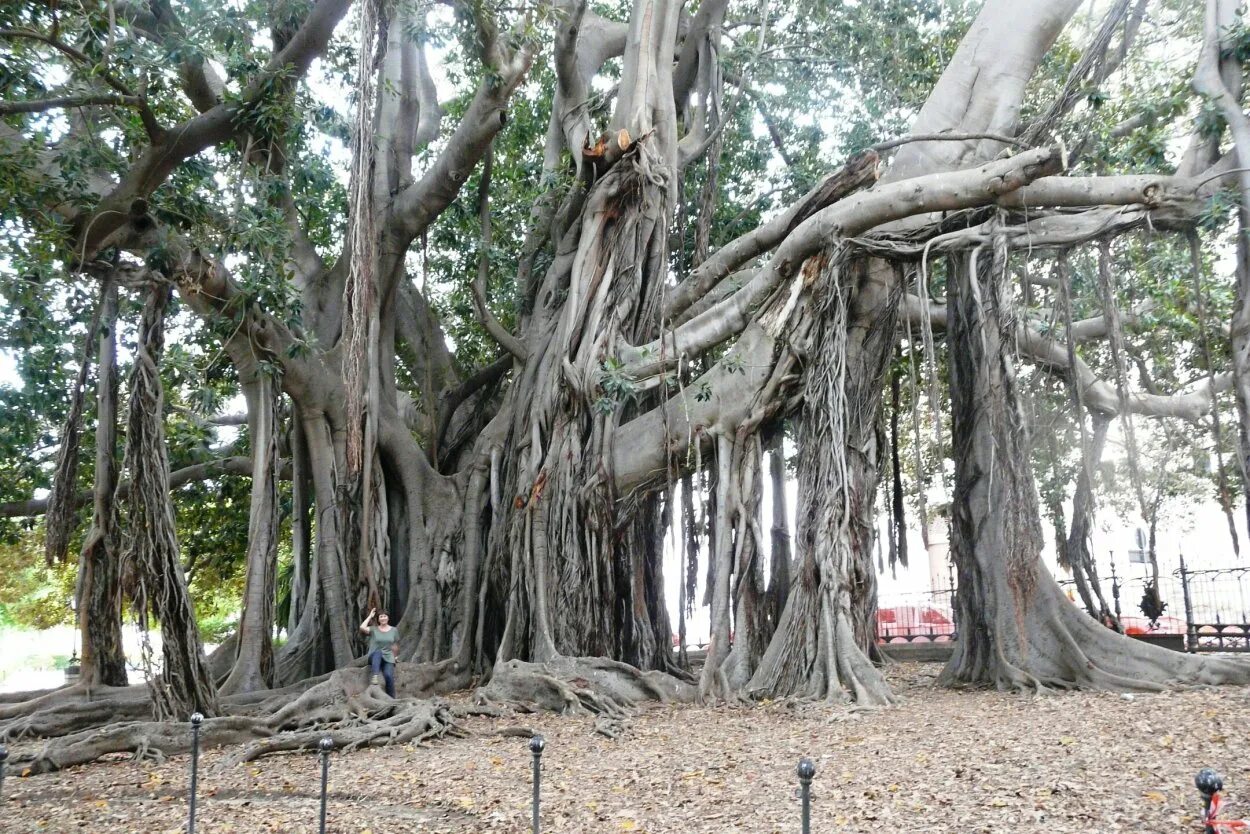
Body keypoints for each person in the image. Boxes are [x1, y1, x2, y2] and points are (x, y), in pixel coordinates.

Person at [359, 608, 399, 697]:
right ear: (378, 619)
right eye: (381, 616)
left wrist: (395, 657)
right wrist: (370, 616)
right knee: (378, 653)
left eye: (385, 616)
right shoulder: (374, 629)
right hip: (374, 656)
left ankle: (392, 698)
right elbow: (362, 627)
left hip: (388, 657)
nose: (383, 618)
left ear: (388, 618)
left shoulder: (394, 630)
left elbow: (394, 645)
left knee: (388, 676)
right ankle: (375, 676)